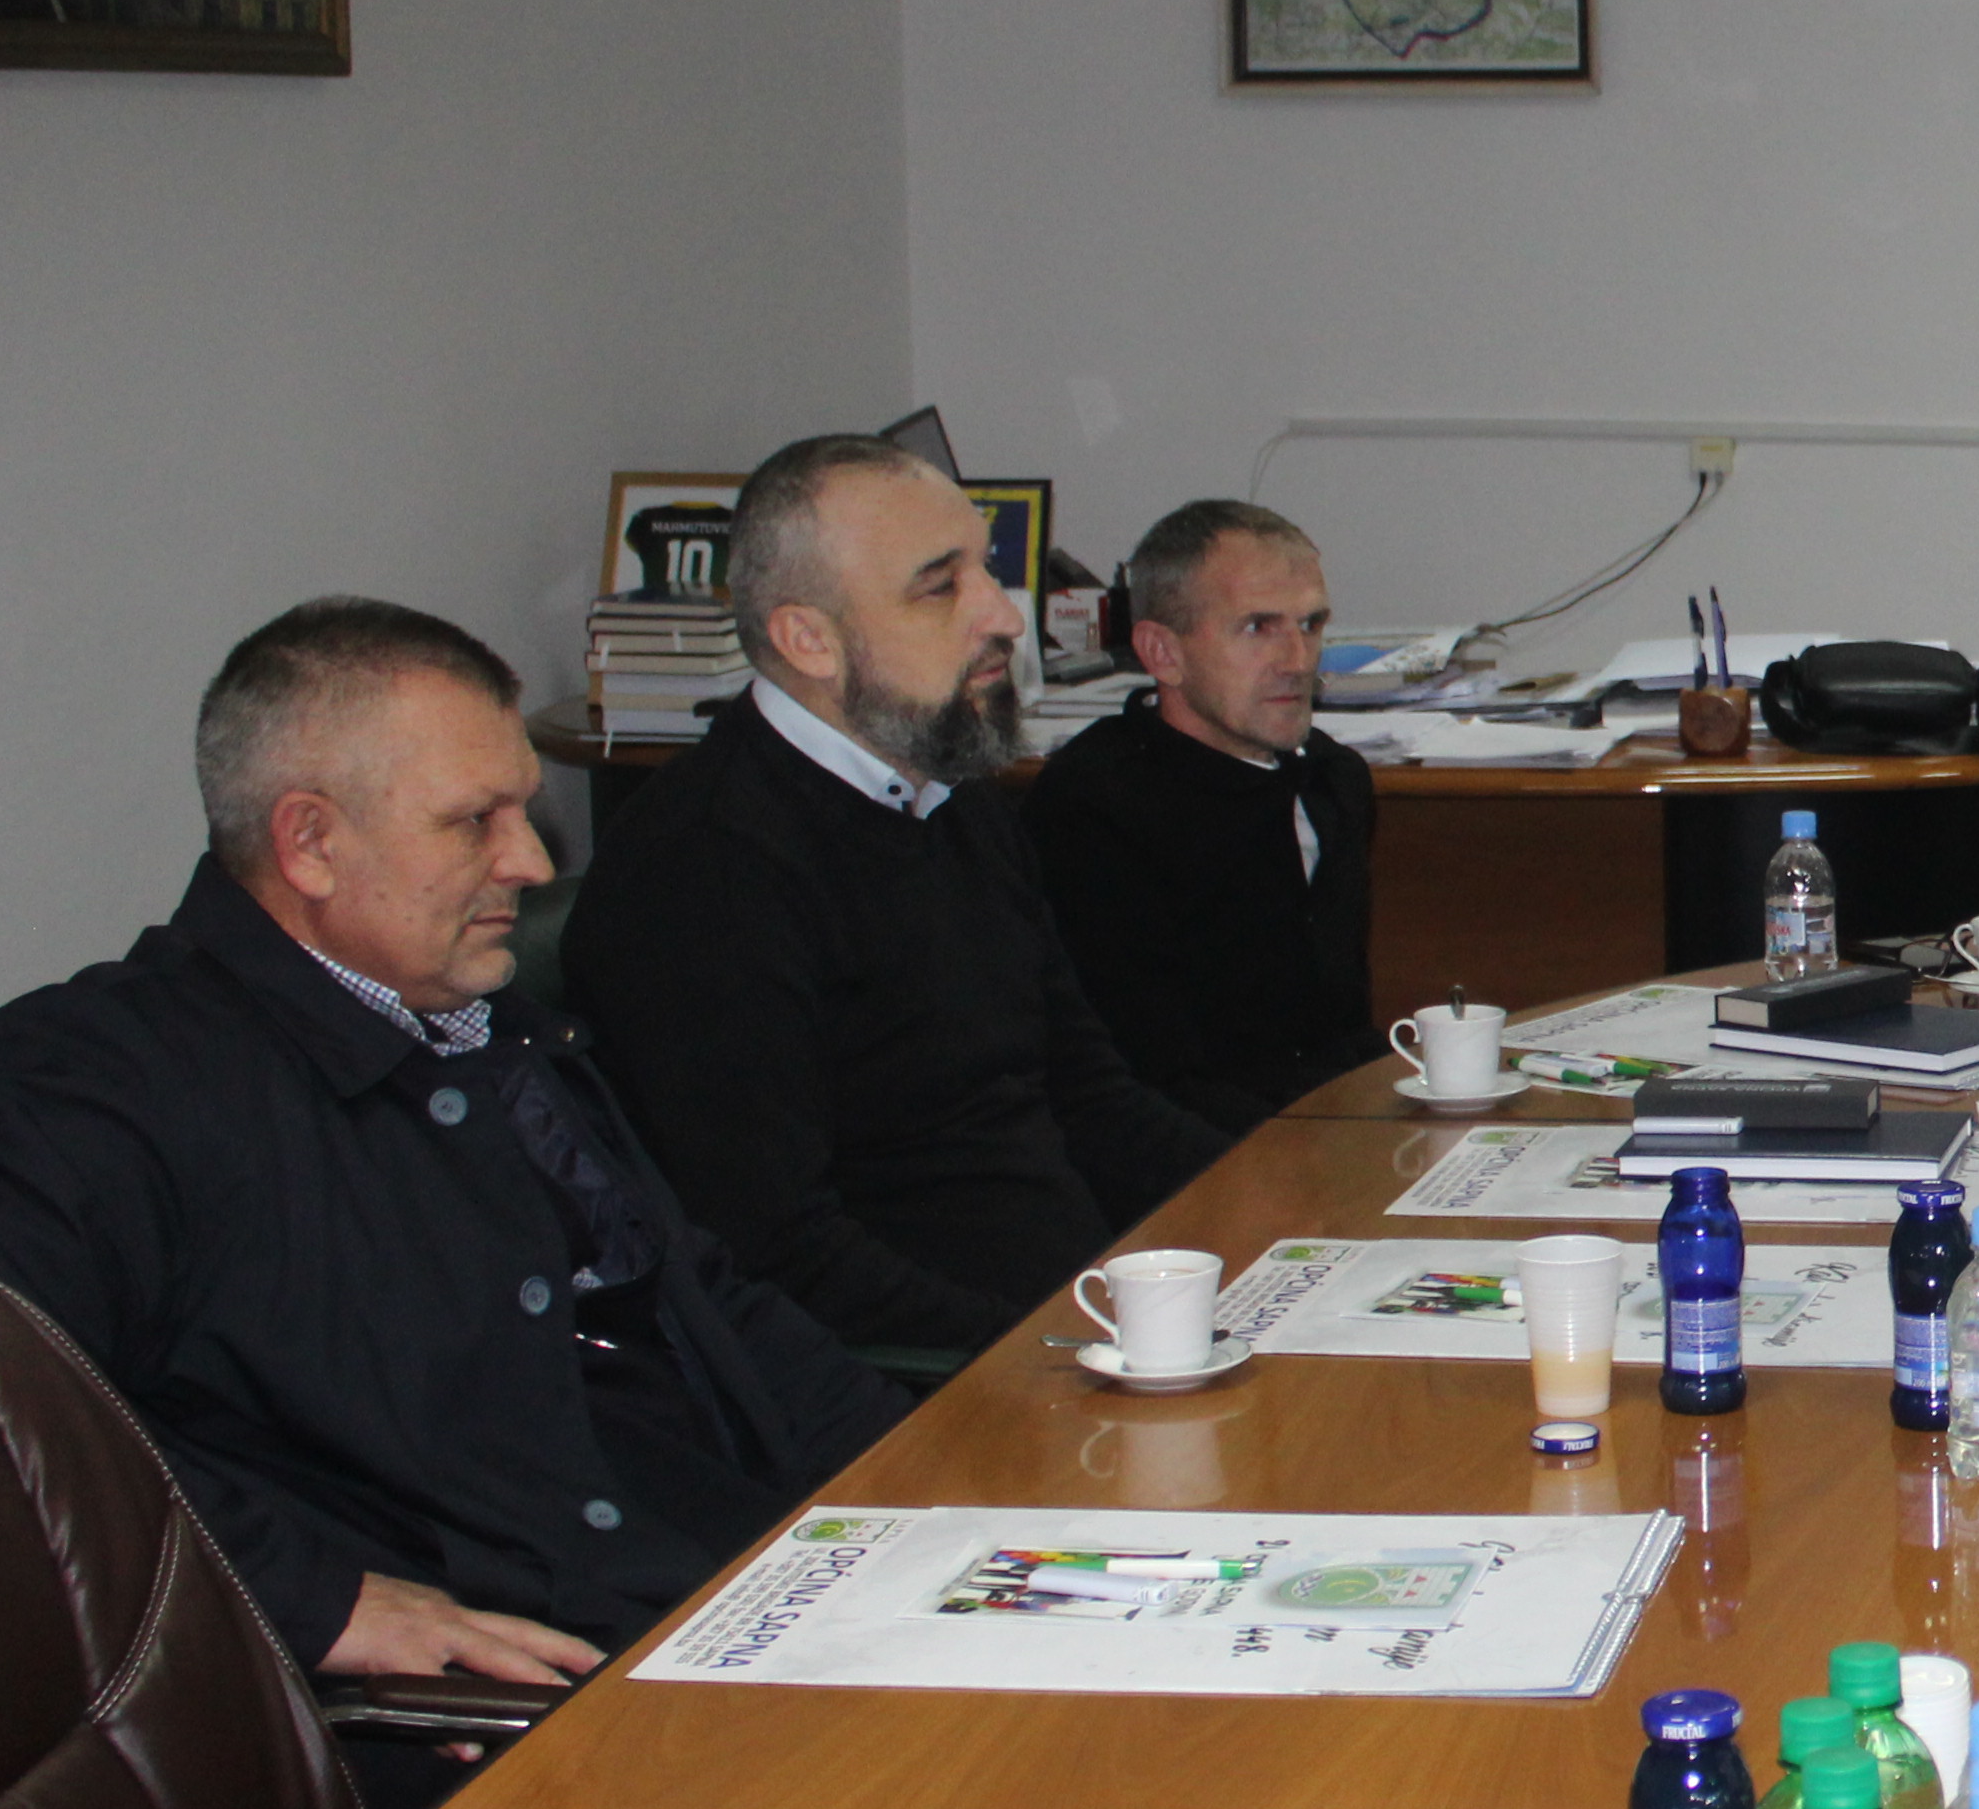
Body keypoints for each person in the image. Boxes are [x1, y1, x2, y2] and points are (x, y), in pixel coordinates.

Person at [0, 601, 899, 1751]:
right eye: (476, 822)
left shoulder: (484, 1027)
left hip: (750, 1598)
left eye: (522, 809)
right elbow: (25, 1444)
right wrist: (322, 1602)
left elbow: (701, 1296)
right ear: (310, 843)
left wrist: (930, 1479)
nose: (531, 861)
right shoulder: (91, 1090)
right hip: (509, 1719)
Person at [569, 434, 1225, 1359]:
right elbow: (774, 1254)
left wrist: (1289, 1197)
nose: (1002, 615)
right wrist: (1056, 1357)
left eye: (987, 571)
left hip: (1078, 1312)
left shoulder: (950, 797)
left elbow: (1089, 1097)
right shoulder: (704, 870)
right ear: (809, 639)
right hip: (932, 1378)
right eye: (940, 585)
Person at [1028, 498, 1379, 1131]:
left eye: (1311, 623)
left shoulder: (1333, 780)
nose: (1299, 660)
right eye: (1258, 627)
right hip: (1197, 1148)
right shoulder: (1094, 808)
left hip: (1333, 1125)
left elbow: (1339, 1029)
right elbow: (1133, 1079)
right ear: (1162, 653)